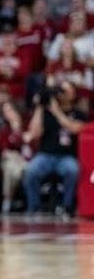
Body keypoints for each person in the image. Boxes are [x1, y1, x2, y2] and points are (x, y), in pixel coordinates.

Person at [22, 81, 85, 215]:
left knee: (72, 170)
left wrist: (57, 112)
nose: (60, 94)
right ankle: (34, 207)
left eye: (65, 91)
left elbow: (75, 128)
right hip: (46, 154)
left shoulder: (79, 113)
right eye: (60, 90)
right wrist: (40, 107)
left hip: (67, 156)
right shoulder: (46, 112)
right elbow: (35, 133)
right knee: (31, 171)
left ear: (72, 95)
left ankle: (67, 207)